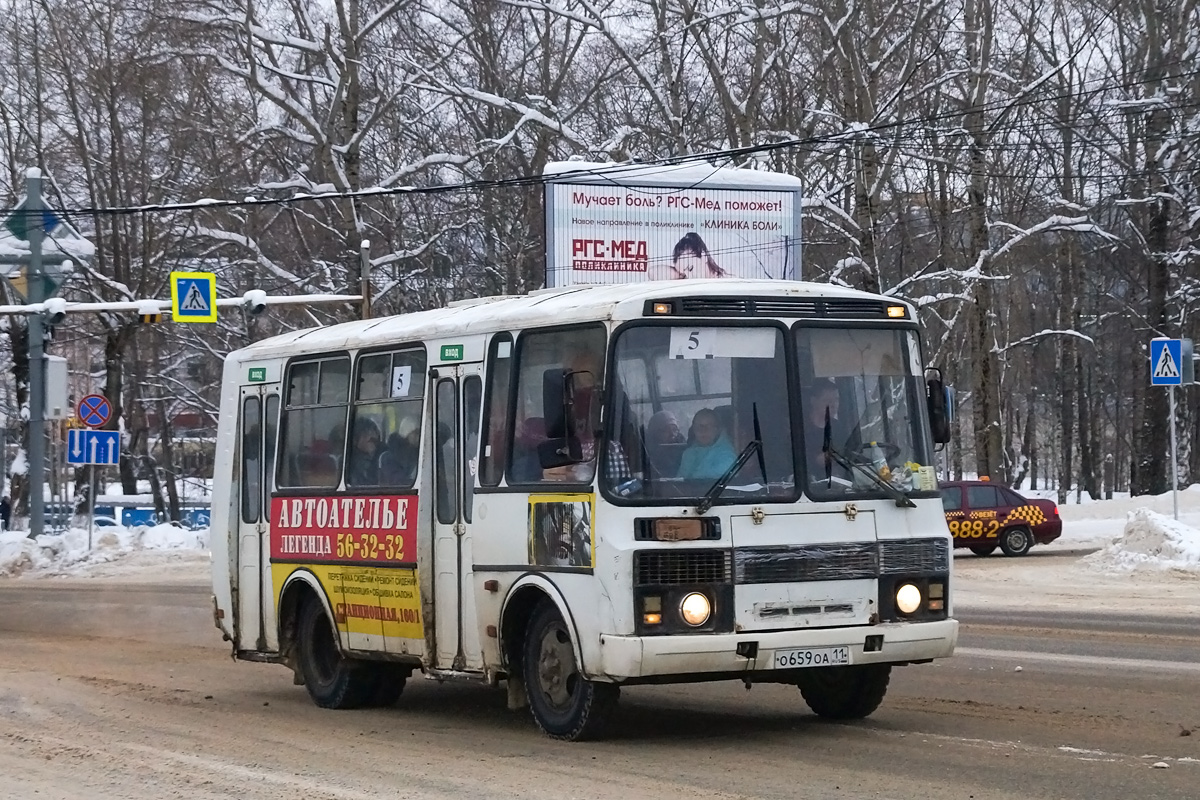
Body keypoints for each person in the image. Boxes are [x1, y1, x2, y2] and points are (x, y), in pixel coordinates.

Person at [677, 408, 737, 479]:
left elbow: (702, 483)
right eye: (698, 426)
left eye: (709, 426)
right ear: (693, 429)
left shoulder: (728, 456)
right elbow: (679, 481)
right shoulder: (688, 454)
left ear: (718, 429)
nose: (703, 431)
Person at [650, 232, 728, 280]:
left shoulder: (727, 282)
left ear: (703, 256)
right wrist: (680, 274)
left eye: (690, 268)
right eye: (684, 274)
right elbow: (652, 272)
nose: (689, 277)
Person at [645, 410, 686, 478]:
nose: (672, 434)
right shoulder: (647, 455)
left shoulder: (684, 448)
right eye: (665, 430)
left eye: (674, 429)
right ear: (654, 433)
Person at [347, 417, 382, 486]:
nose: (372, 437)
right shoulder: (348, 462)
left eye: (374, 432)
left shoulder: (381, 459)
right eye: (366, 434)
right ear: (355, 439)